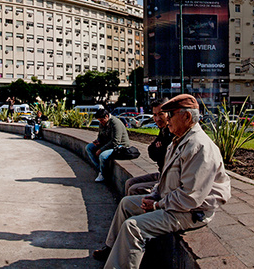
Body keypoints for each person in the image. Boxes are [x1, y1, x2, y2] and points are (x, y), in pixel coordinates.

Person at [96, 95, 231, 269]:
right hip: (173, 203)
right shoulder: (179, 140)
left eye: (170, 114)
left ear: (187, 117)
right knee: (126, 204)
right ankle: (113, 249)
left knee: (133, 227)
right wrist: (153, 195)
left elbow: (190, 199)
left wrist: (157, 205)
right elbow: (166, 180)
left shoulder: (200, 147)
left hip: (191, 212)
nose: (167, 120)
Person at [90, 108, 130, 182]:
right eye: (99, 121)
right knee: (89, 148)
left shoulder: (115, 123)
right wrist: (98, 141)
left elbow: (115, 141)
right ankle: (100, 169)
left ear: (107, 116)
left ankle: (103, 174)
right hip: (108, 143)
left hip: (120, 146)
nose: (101, 122)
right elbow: (100, 136)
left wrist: (101, 149)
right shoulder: (102, 123)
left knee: (103, 155)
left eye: (102, 120)